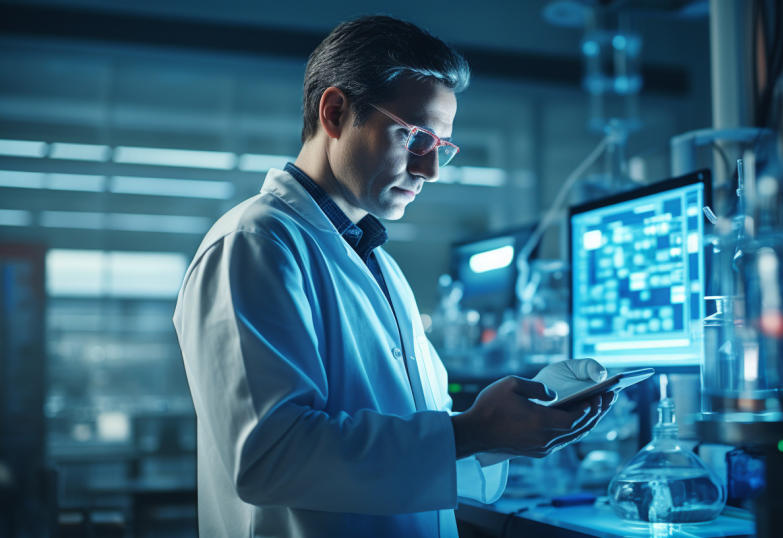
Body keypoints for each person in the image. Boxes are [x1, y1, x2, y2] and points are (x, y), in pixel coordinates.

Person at [173, 15, 614, 537]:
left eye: (441, 147)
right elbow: (270, 457)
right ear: (336, 112)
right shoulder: (254, 244)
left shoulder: (376, 260)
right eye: (416, 136)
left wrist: (504, 431)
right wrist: (472, 430)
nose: (428, 170)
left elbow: (422, 446)